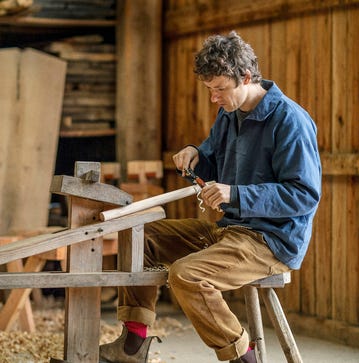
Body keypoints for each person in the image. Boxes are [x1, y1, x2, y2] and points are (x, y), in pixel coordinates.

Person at [100, 31, 321, 363]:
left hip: (271, 240)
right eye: (209, 90)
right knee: (138, 234)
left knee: (187, 276)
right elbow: (213, 157)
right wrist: (195, 154)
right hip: (230, 228)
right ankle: (133, 345)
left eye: (220, 89)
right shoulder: (230, 114)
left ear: (246, 77)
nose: (214, 98)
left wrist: (237, 194)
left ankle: (244, 358)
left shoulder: (289, 121)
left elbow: (303, 195)